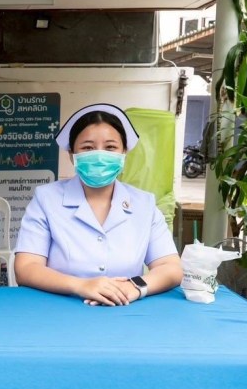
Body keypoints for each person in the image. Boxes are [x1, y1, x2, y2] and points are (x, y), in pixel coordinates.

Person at [14, 103, 183, 306]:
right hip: (60, 309)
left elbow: (170, 267)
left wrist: (135, 286)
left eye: (110, 147)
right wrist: (80, 285)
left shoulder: (144, 204)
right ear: (72, 154)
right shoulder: (46, 199)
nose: (100, 156)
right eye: (88, 147)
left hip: (125, 310)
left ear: (124, 153)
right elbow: (26, 268)